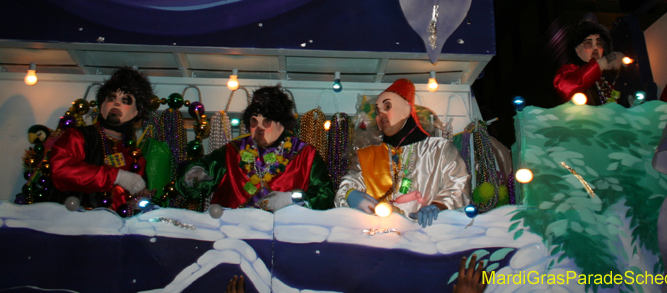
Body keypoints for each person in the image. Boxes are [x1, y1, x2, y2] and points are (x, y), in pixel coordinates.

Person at [335, 78, 470, 227]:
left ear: (406, 110)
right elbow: (346, 188)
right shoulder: (366, 156)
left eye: (387, 106)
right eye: (378, 111)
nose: (381, 115)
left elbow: (459, 187)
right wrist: (350, 194)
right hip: (376, 235)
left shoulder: (440, 150)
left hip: (425, 234)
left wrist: (439, 206)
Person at [178, 85, 333, 211]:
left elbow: (325, 196)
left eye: (267, 121)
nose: (260, 128)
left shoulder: (305, 155)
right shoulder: (232, 152)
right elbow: (201, 175)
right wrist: (195, 172)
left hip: (284, 235)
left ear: (282, 123)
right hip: (232, 234)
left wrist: (292, 198)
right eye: (254, 121)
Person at [48, 67, 154, 211]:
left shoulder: (135, 157)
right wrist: (116, 176)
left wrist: (137, 202)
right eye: (111, 98)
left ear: (136, 112)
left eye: (125, 100)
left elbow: (134, 202)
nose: (116, 103)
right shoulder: (78, 137)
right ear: (102, 104)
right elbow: (61, 170)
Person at [553, 20, 625, 105]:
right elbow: (566, 87)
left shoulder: (605, 83)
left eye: (599, 43)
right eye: (588, 43)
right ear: (577, 49)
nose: (595, 48)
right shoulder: (568, 71)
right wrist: (601, 64)